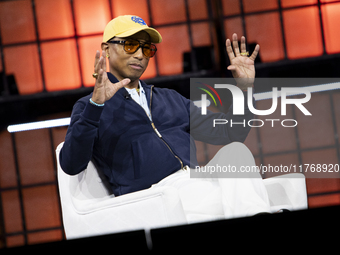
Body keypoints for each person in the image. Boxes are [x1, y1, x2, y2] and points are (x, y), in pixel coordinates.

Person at [60, 15, 270, 221]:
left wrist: (244, 88)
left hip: (194, 182)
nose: (140, 55)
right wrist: (96, 106)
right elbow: (71, 164)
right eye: (131, 45)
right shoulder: (90, 106)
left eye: (147, 48)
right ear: (106, 48)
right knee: (236, 201)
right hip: (157, 196)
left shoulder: (169, 98)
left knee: (236, 151)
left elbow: (229, 132)